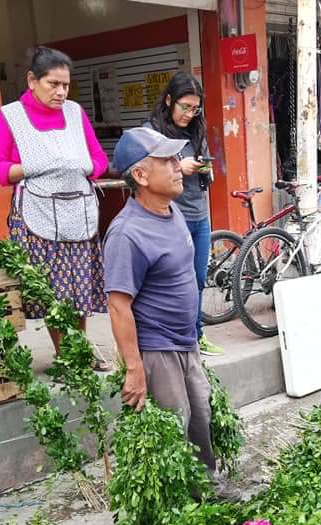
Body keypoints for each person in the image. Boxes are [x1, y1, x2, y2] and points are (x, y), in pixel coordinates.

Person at [0, 46, 111, 367]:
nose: (61, 92)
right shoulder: (10, 116)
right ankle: (65, 354)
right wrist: (30, 166)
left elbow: (98, 160)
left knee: (79, 286)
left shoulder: (75, 112)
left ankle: (80, 349)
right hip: (36, 219)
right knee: (54, 291)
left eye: (65, 85)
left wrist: (79, 166)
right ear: (32, 80)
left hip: (78, 214)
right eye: (53, 84)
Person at [103, 127, 217, 472]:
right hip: (158, 350)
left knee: (201, 414)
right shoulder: (127, 234)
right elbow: (118, 305)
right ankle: (178, 508)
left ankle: (206, 491)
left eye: (175, 158)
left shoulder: (173, 210)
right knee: (173, 429)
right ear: (140, 175)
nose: (176, 165)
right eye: (165, 160)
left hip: (187, 343)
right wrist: (135, 369)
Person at [145, 72, 223, 357]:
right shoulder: (151, 132)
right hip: (169, 217)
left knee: (198, 279)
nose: (190, 113)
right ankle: (174, 339)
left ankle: (195, 334)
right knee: (172, 282)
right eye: (185, 107)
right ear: (169, 100)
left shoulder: (196, 128)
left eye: (195, 108)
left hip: (199, 214)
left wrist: (205, 168)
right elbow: (141, 173)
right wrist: (179, 167)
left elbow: (206, 165)